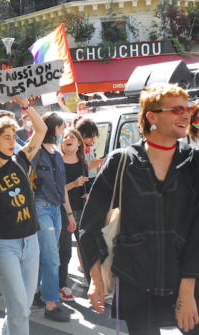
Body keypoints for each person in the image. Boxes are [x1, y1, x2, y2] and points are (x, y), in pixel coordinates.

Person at [80, 83, 199, 334]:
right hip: (135, 280)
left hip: (188, 279)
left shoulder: (194, 162)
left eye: (187, 109)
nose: (186, 115)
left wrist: (187, 292)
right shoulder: (121, 161)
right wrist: (95, 278)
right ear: (152, 116)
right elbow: (90, 225)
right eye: (177, 109)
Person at [0, 96, 47, 335]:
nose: (13, 142)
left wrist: (27, 108)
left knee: (23, 307)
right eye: (6, 137)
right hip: (4, 246)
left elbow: (41, 129)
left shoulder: (22, 159)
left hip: (31, 241)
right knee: (19, 308)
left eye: (14, 136)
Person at [33, 112, 77, 322]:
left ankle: (36, 292)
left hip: (56, 209)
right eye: (61, 127)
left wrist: (69, 214)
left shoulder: (58, 155)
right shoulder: (35, 152)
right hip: (40, 207)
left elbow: (62, 188)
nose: (63, 131)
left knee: (47, 255)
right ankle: (51, 304)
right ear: (52, 128)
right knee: (52, 257)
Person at [58, 128, 89, 302]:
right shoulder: (58, 161)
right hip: (63, 211)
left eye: (72, 137)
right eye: (65, 137)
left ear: (78, 143)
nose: (68, 138)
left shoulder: (82, 161)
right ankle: (61, 285)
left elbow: (84, 184)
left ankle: (91, 281)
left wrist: (86, 192)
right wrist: (74, 184)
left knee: (86, 246)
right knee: (64, 251)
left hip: (81, 209)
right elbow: (58, 189)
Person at [75, 118, 103, 188]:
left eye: (94, 136)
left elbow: (92, 161)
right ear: (81, 135)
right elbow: (84, 167)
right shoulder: (75, 149)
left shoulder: (91, 145)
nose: (93, 140)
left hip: (93, 179)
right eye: (90, 137)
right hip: (83, 183)